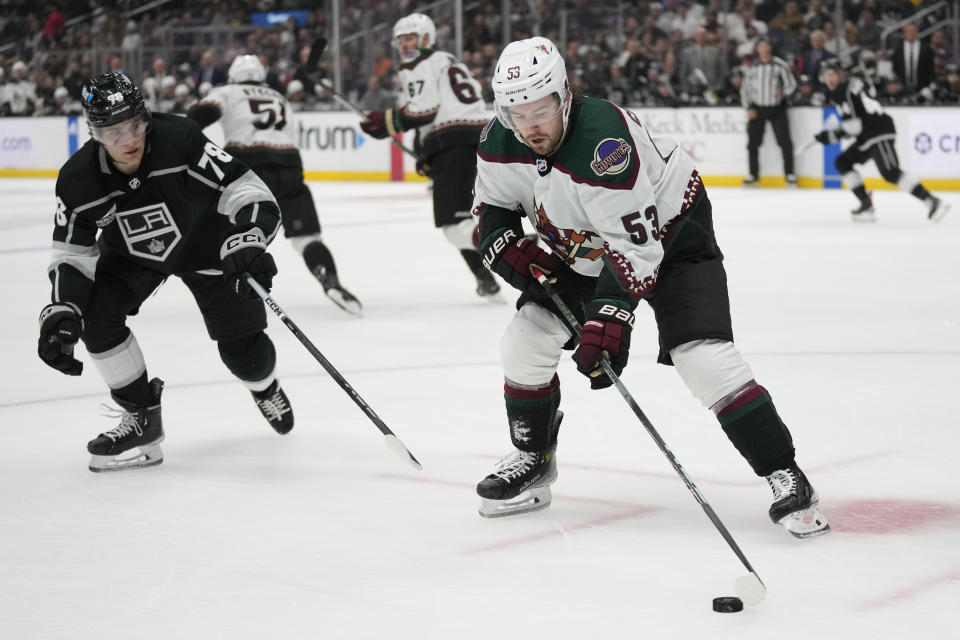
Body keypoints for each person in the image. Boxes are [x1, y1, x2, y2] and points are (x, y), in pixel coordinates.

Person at [472, 37, 830, 539]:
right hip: (585, 246)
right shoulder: (498, 139)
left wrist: (610, 318)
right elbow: (492, 208)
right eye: (517, 113)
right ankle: (534, 457)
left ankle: (784, 472)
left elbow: (636, 249)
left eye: (540, 109)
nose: (529, 125)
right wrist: (501, 244)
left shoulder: (605, 145)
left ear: (564, 96)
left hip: (674, 234)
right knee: (525, 339)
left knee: (702, 356)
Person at [38, 71, 294, 473]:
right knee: (93, 315)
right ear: (93, 133)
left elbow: (247, 190)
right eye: (113, 132)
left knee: (246, 357)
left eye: (136, 125)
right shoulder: (77, 180)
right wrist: (63, 307)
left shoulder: (182, 139)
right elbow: (71, 252)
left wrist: (249, 238)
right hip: (135, 254)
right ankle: (141, 417)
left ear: (147, 117)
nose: (129, 140)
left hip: (209, 242)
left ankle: (265, 387)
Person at [187, 55, 361, 314]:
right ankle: (330, 280)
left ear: (233, 76)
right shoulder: (280, 98)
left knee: (222, 225)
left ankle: (226, 285)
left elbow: (199, 116)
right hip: (290, 166)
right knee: (306, 237)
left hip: (250, 166)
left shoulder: (228, 91)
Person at [359, 12, 501, 300]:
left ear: (425, 38)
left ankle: (504, 241)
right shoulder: (449, 60)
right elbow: (436, 110)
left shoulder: (416, 62)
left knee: (453, 226)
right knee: (464, 218)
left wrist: (388, 122)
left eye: (410, 38)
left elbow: (423, 110)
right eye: (401, 40)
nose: (405, 45)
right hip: (479, 142)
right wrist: (427, 150)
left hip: (453, 145)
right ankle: (484, 278)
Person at [811, 58, 948, 222]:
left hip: (877, 132)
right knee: (842, 162)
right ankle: (866, 203)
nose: (830, 78)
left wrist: (829, 136)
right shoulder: (847, 87)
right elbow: (855, 125)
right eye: (827, 75)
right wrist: (832, 135)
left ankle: (931, 200)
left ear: (840, 74)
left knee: (890, 172)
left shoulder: (842, 90)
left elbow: (854, 127)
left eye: (833, 74)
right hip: (867, 135)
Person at [740, 37, 797, 186]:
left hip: (776, 108)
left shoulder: (779, 65)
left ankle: (789, 174)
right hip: (757, 108)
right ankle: (753, 174)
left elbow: (791, 84)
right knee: (752, 143)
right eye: (761, 46)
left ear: (770, 48)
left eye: (766, 46)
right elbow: (745, 89)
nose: (764, 49)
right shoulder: (752, 67)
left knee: (785, 142)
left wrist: (783, 93)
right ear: (757, 49)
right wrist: (748, 107)